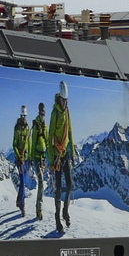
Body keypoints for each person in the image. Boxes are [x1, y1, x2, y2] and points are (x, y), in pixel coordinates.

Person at [49, 81, 74, 231]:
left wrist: (72, 149)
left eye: (67, 100)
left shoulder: (67, 111)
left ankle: (66, 210)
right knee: (58, 188)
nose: (65, 103)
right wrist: (52, 156)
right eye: (63, 100)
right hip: (57, 155)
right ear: (59, 99)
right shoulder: (55, 113)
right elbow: (50, 135)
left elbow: (70, 131)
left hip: (65, 153)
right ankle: (58, 218)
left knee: (70, 184)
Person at [29, 101, 48, 221]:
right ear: (38, 112)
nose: (42, 115)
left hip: (42, 157)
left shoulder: (45, 126)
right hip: (36, 157)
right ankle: (38, 208)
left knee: (41, 183)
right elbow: (32, 142)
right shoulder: (36, 125)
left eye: (43, 113)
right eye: (41, 113)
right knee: (41, 181)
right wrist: (31, 158)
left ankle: (39, 207)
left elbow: (46, 141)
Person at [11, 105, 30, 216]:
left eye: (25, 116)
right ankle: (22, 204)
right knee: (22, 181)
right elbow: (14, 144)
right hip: (20, 159)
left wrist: (29, 157)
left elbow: (29, 142)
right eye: (22, 116)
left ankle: (19, 200)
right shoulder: (17, 128)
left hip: (26, 158)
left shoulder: (27, 128)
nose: (24, 118)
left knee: (24, 181)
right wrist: (19, 156)